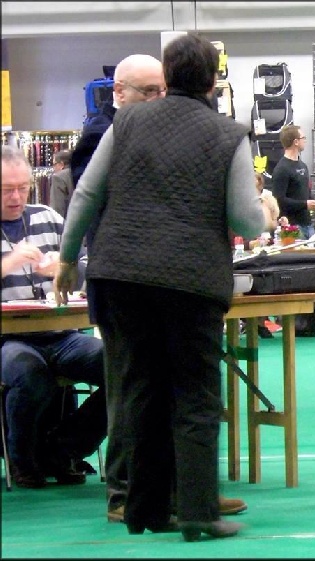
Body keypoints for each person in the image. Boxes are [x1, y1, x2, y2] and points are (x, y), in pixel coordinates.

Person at [55, 33, 277, 541]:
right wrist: (265, 211)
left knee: (136, 391)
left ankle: (143, 510)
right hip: (190, 280)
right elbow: (245, 217)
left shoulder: (126, 121)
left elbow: (88, 192)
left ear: (168, 76)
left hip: (118, 275)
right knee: (195, 398)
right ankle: (198, 513)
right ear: (213, 81)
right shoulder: (229, 134)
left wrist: (68, 260)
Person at [1, 144, 107, 489]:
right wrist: (9, 264)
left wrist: (62, 269)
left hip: (62, 333)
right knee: (30, 373)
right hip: (8, 339)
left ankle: (64, 448)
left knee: (124, 366)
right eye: (6, 190)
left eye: (22, 188)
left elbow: (86, 268)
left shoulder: (48, 217)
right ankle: (22, 461)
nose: (16, 197)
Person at [271, 124, 315, 240]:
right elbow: (279, 200)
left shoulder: (303, 166)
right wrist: (305, 204)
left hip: (308, 225)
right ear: (295, 142)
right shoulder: (281, 169)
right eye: (303, 138)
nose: (305, 141)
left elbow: (305, 192)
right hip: (293, 228)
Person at [48, 149, 74, 219]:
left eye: (54, 164)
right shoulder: (83, 173)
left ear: (61, 164)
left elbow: (57, 208)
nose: (54, 168)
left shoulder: (59, 178)